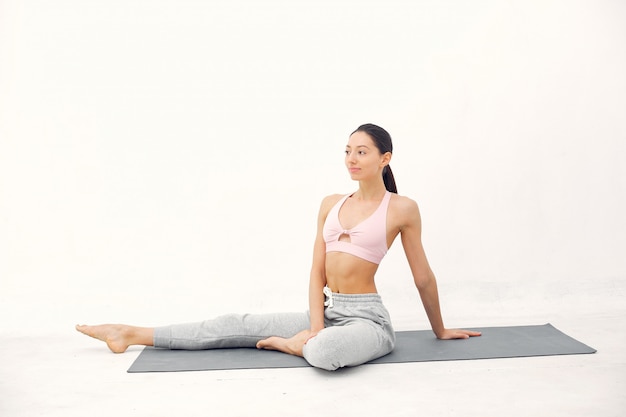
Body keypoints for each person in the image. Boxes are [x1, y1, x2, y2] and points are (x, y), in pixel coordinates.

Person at [76, 123, 481, 371]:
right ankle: (130, 332)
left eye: (361, 152)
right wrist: (315, 324)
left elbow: (422, 276)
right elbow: (315, 272)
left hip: (368, 322)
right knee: (237, 323)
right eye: (347, 151)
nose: (351, 159)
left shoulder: (402, 208)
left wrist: (440, 330)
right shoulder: (331, 204)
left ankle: (296, 344)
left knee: (325, 354)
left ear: (384, 158)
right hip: (326, 310)